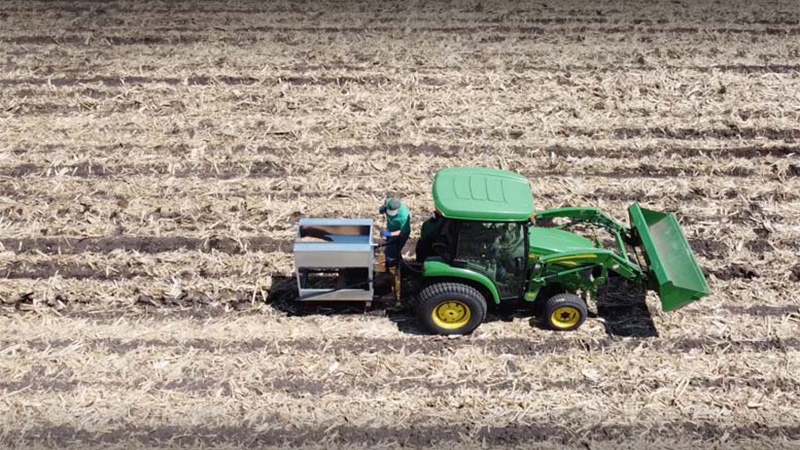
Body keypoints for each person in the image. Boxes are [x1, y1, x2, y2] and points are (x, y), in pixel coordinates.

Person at [379, 198, 411, 267]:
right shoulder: (389, 202)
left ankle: (394, 262)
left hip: (400, 234)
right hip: (391, 228)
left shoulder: (403, 216)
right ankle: (395, 258)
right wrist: (383, 208)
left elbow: (402, 231)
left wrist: (390, 234)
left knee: (394, 250)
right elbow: (386, 202)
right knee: (389, 246)